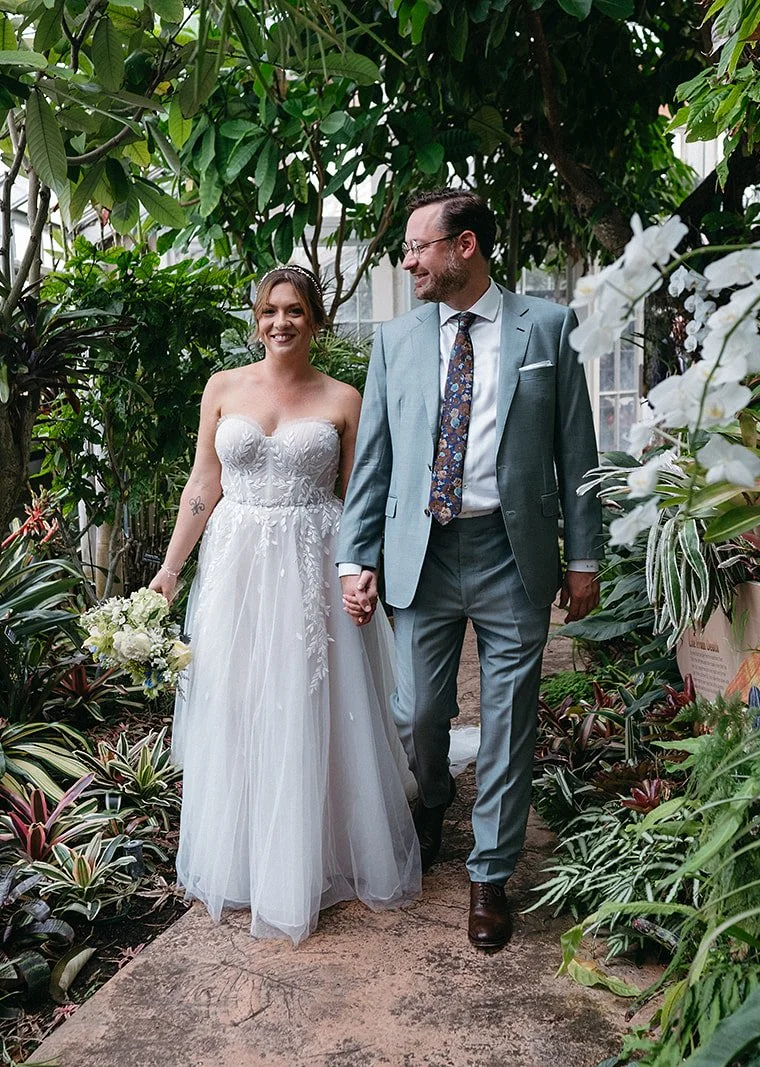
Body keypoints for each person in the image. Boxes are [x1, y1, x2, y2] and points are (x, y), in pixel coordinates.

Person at [336, 188, 603, 951]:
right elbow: (376, 461)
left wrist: (582, 558)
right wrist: (357, 557)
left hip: (511, 553)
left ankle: (489, 873)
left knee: (511, 715)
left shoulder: (547, 328)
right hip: (421, 551)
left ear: (467, 246)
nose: (409, 260)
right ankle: (433, 800)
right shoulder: (395, 341)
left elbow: (575, 452)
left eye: (420, 246)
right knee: (419, 708)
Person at [150, 265, 421, 945]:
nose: (280, 322)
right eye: (269, 310)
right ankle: (242, 855)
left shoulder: (344, 398)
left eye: (294, 310)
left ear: (317, 320)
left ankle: (315, 855)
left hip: (314, 565)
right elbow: (201, 487)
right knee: (239, 699)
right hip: (237, 566)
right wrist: (169, 569)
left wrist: (365, 573)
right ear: (256, 319)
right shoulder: (223, 389)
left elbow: (364, 499)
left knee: (311, 703)